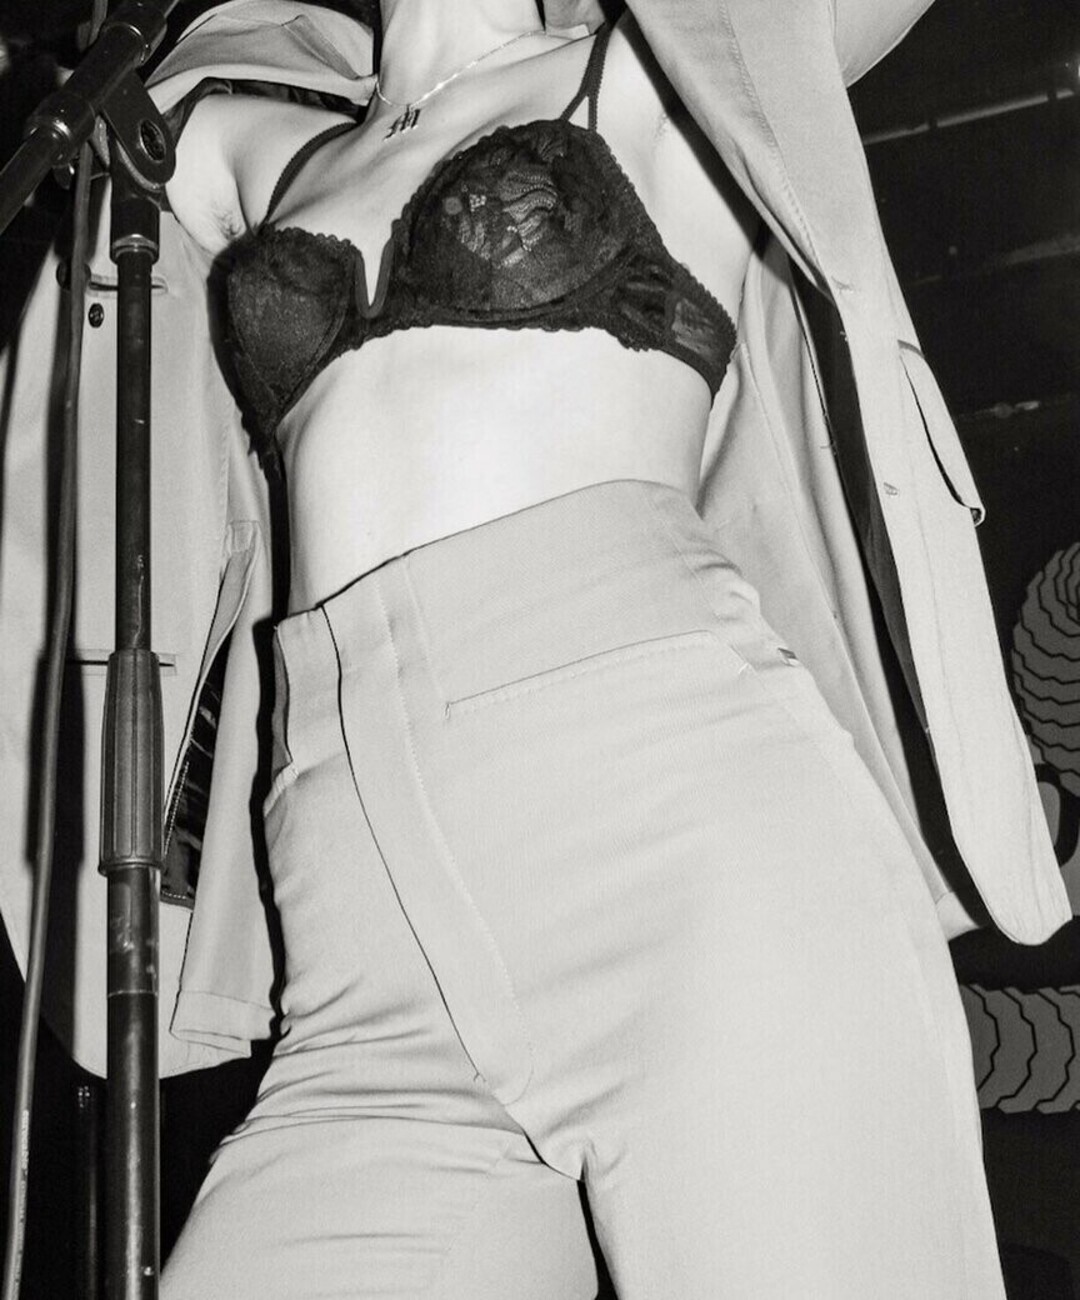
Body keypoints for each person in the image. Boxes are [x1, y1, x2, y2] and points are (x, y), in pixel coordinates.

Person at [0, 0, 1068, 1295]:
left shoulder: (658, 71)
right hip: (362, 944)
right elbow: (119, 166)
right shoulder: (259, 152)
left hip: (678, 847)